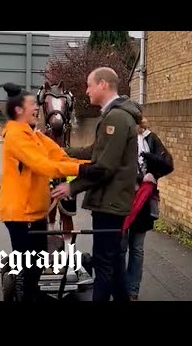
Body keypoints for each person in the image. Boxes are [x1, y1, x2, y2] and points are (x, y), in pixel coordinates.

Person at [0, 82, 105, 302]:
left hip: (34, 213)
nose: (37, 107)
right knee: (29, 270)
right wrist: (83, 169)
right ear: (19, 110)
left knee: (36, 268)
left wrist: (95, 164)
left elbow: (60, 157)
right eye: (32, 104)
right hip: (20, 215)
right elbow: (43, 165)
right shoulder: (16, 137)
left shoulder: (33, 135)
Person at [51, 67, 142, 301]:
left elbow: (104, 167)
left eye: (90, 85)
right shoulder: (113, 115)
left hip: (109, 202)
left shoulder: (116, 118)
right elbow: (93, 151)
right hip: (110, 201)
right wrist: (61, 152)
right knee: (113, 263)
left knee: (103, 265)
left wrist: (71, 187)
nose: (87, 90)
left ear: (103, 84)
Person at [121, 117, 174, 301]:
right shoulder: (121, 138)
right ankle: (120, 289)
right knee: (120, 247)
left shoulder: (150, 139)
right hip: (121, 198)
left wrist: (154, 174)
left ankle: (132, 292)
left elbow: (168, 163)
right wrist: (138, 178)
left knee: (136, 248)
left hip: (142, 201)